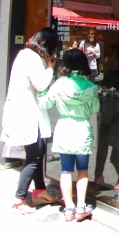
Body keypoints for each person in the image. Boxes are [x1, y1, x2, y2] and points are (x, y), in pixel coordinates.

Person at [0, 27, 58, 214]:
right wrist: (50, 68)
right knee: (34, 157)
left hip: (23, 111)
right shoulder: (33, 58)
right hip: (28, 113)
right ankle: (19, 198)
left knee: (38, 152)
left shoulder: (23, 54)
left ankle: (40, 190)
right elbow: (40, 84)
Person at [38, 49, 101, 222]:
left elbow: (45, 102)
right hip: (82, 130)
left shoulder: (59, 84)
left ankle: (69, 208)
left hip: (65, 128)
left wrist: (40, 91)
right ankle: (81, 206)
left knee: (66, 170)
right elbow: (95, 108)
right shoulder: (90, 86)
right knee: (83, 170)